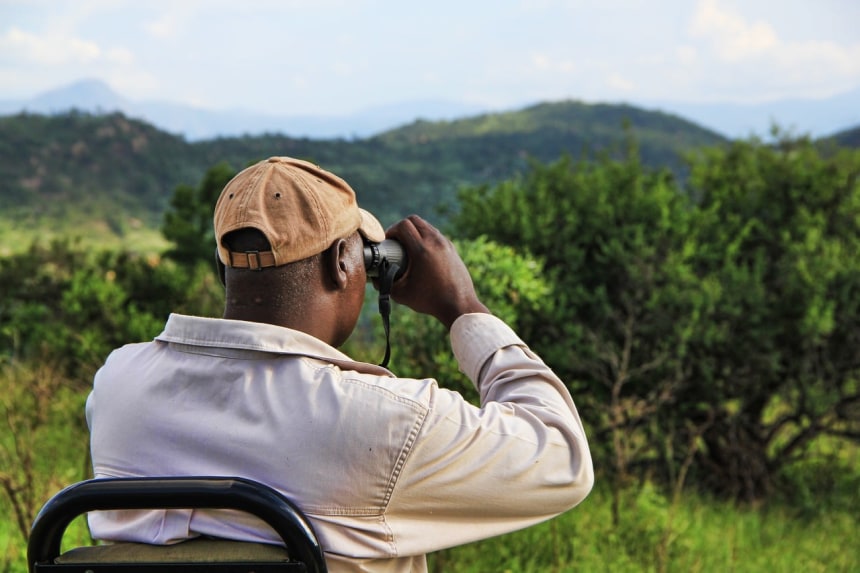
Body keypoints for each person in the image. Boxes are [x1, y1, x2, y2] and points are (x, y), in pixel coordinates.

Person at [86, 156, 594, 572]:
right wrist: (464, 308)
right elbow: (562, 460)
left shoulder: (117, 387)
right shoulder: (385, 421)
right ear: (343, 264)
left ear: (224, 269)